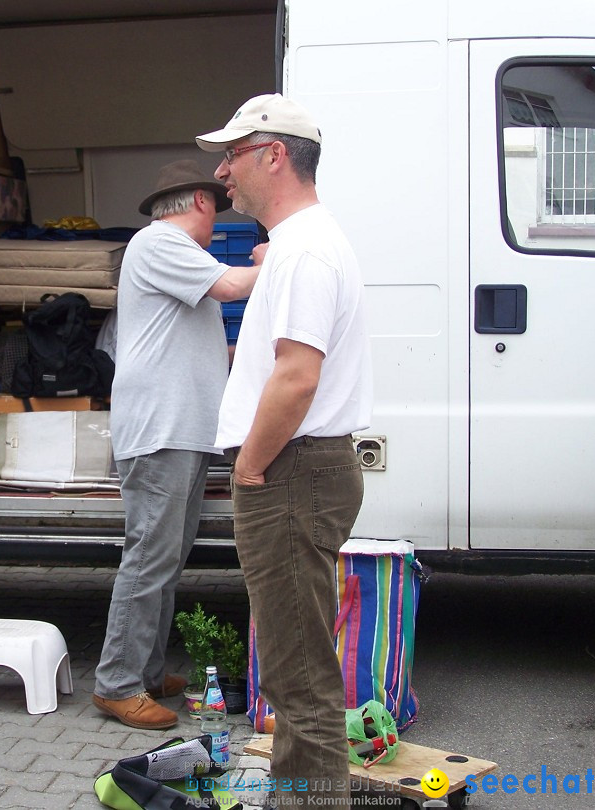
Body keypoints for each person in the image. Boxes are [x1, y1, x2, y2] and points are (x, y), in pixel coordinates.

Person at [196, 95, 373, 806]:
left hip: (288, 470)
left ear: (274, 155)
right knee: (299, 674)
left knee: (299, 684)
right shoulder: (306, 244)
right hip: (303, 468)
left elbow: (297, 377)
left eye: (233, 153)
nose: (222, 169)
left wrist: (248, 465)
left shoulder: (304, 249)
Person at [92, 160, 262, 729]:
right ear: (198, 202)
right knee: (149, 557)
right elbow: (235, 285)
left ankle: (144, 670)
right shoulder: (160, 242)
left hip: (181, 432)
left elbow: (202, 349)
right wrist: (286, 256)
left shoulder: (175, 256)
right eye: (216, 204)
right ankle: (116, 682)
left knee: (166, 559)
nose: (218, 216)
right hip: (161, 432)